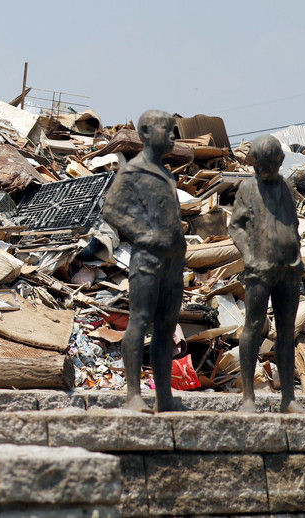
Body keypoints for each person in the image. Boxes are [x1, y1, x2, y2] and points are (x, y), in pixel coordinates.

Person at [102, 109, 188, 413]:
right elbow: (111, 209)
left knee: (166, 326)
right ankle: (134, 395)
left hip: (173, 262)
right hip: (148, 259)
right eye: (169, 130)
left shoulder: (166, 174)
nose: (174, 137)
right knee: (139, 320)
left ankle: (164, 395)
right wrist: (144, 234)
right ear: (148, 133)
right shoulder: (134, 171)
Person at [228, 134, 305, 413]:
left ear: (280, 161)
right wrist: (248, 255)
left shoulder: (286, 186)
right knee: (253, 326)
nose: (266, 171)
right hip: (258, 269)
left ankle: (288, 398)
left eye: (272, 165)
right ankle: (248, 397)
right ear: (253, 164)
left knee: (286, 332)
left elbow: (292, 223)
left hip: (289, 269)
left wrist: (296, 251)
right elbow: (235, 226)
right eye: (261, 166)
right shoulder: (247, 189)